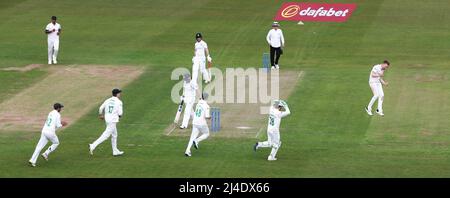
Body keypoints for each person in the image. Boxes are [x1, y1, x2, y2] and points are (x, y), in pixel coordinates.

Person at [89, 88, 124, 156]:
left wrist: (101, 115)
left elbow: (101, 108)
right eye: (119, 93)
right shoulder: (119, 102)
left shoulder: (108, 100)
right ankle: (93, 145)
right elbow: (120, 113)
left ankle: (115, 151)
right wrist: (118, 116)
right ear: (117, 94)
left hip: (107, 119)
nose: (120, 94)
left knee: (114, 135)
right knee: (106, 135)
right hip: (113, 120)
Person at [185, 93, 211, 157]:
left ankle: (187, 151)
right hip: (201, 123)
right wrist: (211, 117)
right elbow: (207, 117)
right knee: (207, 133)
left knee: (192, 137)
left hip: (195, 122)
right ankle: (197, 141)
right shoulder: (207, 106)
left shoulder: (198, 103)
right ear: (207, 98)